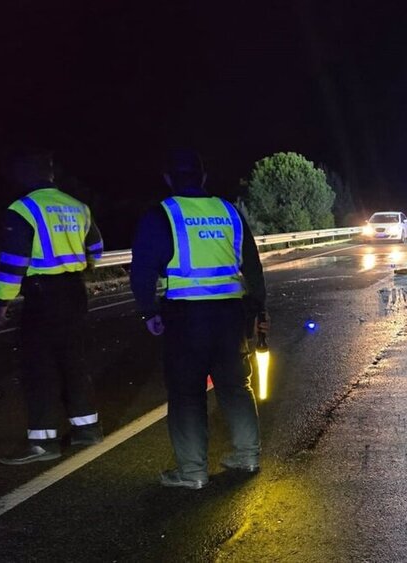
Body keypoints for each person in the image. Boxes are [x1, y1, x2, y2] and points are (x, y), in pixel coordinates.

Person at [130, 149, 268, 489]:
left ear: (168, 178)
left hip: (186, 316)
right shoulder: (228, 211)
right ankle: (247, 455)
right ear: (203, 177)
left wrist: (148, 311)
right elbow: (252, 265)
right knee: (236, 386)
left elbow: (143, 269)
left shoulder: (161, 215)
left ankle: (192, 472)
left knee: (187, 393)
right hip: (230, 315)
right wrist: (257, 309)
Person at [0, 150, 104, 465]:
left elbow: (14, 263)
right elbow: (96, 246)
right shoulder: (77, 206)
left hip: (43, 297)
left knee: (40, 368)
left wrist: (1, 305)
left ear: (24, 175)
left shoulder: (22, 210)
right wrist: (82, 266)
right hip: (74, 292)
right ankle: (87, 429)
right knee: (74, 360)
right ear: (51, 175)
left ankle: (43, 442)